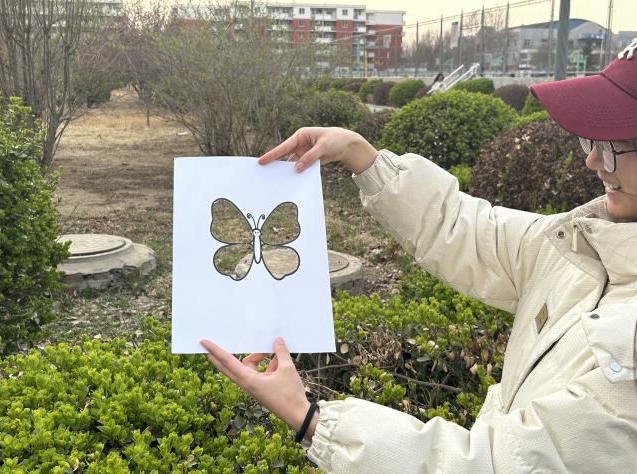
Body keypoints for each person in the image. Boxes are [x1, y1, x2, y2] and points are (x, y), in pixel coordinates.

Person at [201, 39, 637, 472]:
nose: (593, 162)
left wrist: (310, 418)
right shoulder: (585, 245)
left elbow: (499, 465)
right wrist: (361, 156)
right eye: (591, 141)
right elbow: (469, 229)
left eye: (613, 146)